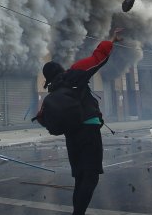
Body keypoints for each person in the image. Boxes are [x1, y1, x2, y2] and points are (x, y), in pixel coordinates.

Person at [41, 28, 120, 215]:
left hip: (71, 135)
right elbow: (97, 58)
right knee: (90, 177)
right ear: (61, 69)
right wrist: (112, 40)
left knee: (80, 178)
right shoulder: (74, 73)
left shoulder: (53, 91)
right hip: (88, 130)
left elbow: (44, 117)